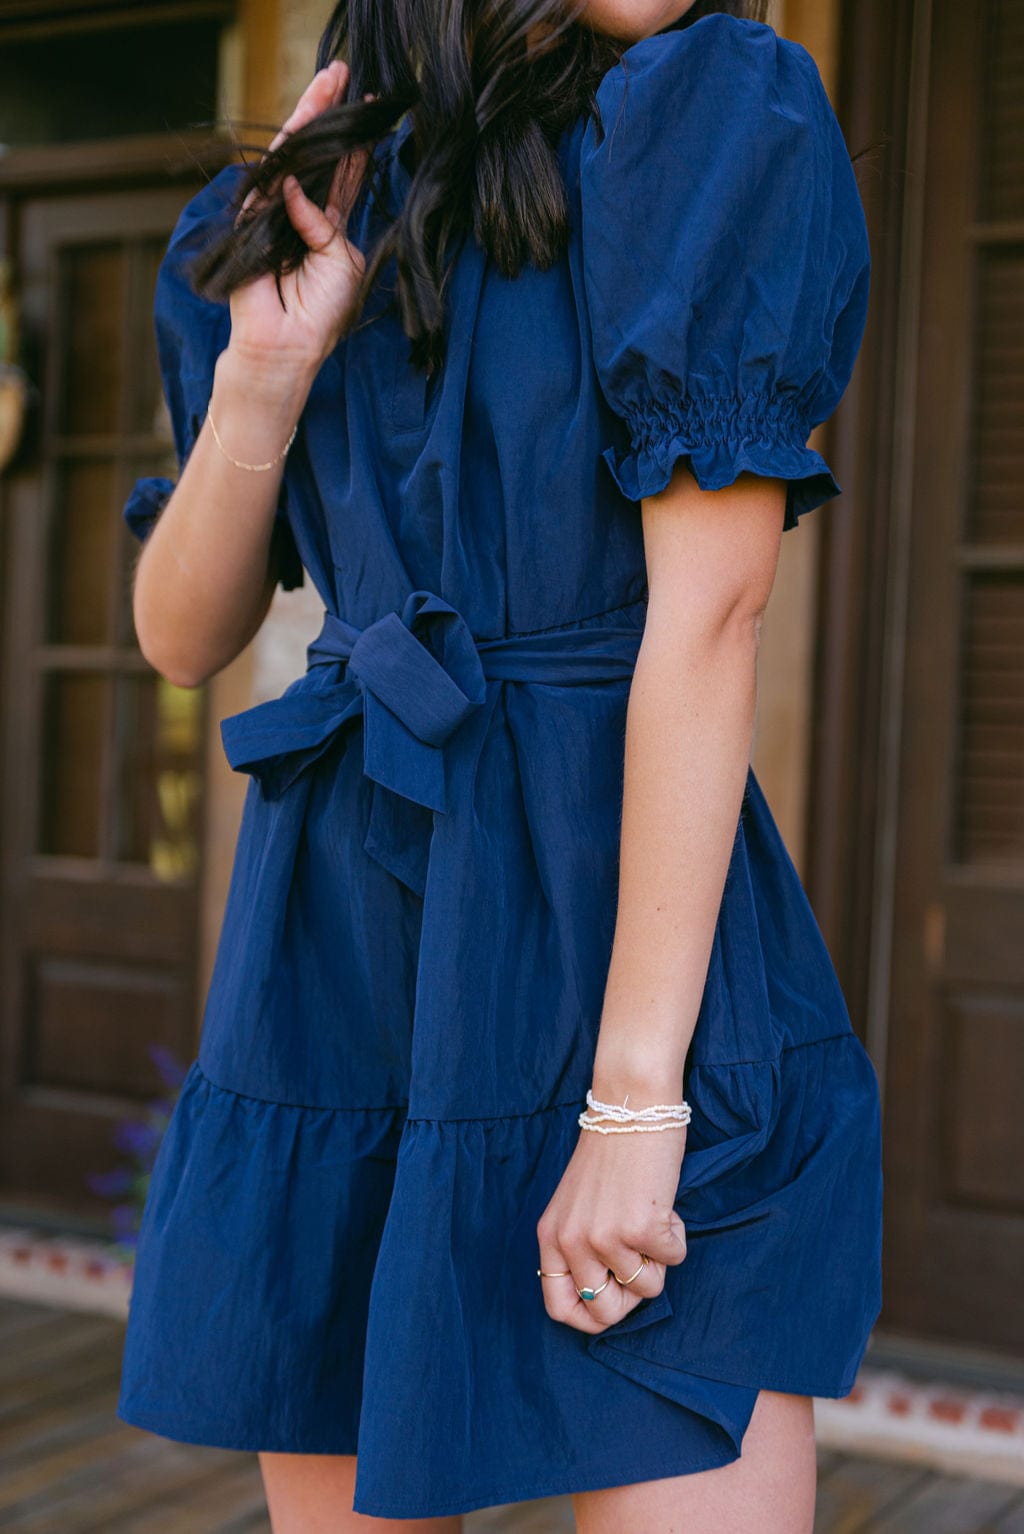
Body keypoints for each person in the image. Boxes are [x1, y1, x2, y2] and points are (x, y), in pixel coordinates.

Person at [117, 1, 883, 1529]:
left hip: (619, 925)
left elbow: (712, 614)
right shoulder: (307, 197)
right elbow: (183, 634)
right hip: (348, 945)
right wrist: (266, 373)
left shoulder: (708, 121)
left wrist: (635, 1106)